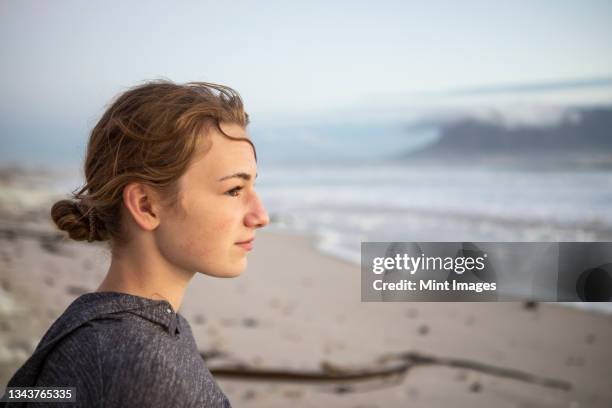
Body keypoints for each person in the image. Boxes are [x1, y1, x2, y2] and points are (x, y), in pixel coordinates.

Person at [3, 80, 269, 407]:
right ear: (145, 205)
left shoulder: (98, 326)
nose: (261, 215)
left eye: (252, 186)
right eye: (234, 190)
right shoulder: (141, 368)